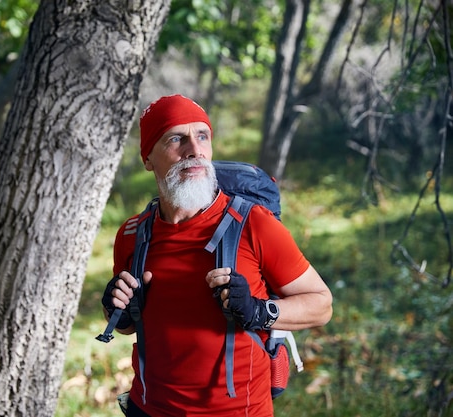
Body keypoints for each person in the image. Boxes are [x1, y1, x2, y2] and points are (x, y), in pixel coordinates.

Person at [101, 94, 333, 417]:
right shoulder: (131, 235)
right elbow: (130, 327)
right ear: (148, 158)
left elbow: (322, 305)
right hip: (149, 409)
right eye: (176, 138)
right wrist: (117, 310)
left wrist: (257, 310)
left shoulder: (253, 225)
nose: (194, 151)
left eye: (202, 136)